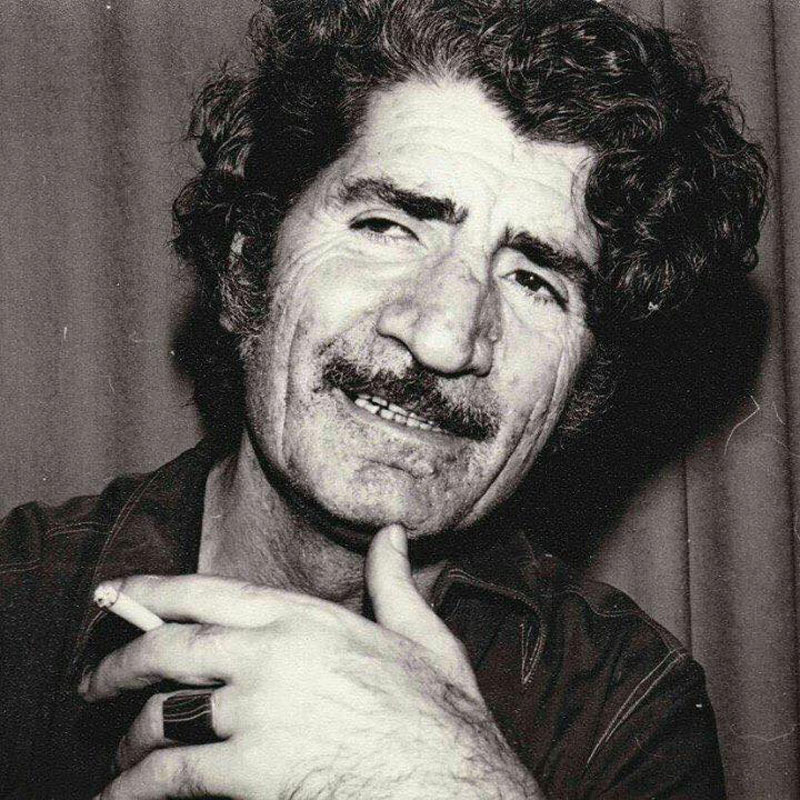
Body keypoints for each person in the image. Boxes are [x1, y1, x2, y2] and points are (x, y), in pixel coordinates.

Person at [0, 1, 767, 798]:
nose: (445, 337)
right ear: (247, 268)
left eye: (534, 281)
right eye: (388, 226)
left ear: (579, 384)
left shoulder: (624, 711)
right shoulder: (17, 601)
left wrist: (454, 783)